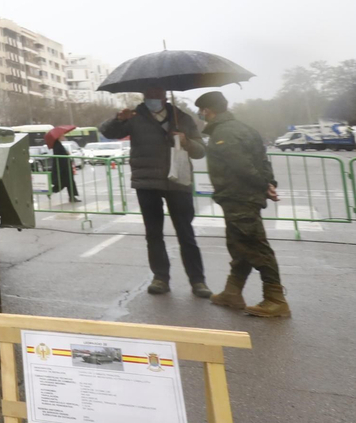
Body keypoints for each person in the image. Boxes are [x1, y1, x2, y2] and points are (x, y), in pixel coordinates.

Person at [100, 91, 210, 297]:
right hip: (147, 182)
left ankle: (198, 281)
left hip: (178, 181)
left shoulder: (182, 118)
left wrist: (186, 141)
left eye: (156, 93)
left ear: (164, 96)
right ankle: (160, 278)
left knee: (186, 234)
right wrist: (118, 119)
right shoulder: (134, 117)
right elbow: (107, 132)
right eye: (149, 93)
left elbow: (200, 151)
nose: (152, 98)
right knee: (153, 234)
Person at [195, 91, 289, 318]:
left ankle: (275, 299)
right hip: (243, 197)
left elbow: (242, 166)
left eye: (201, 111)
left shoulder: (223, 132)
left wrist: (263, 185)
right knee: (239, 245)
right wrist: (269, 183)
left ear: (208, 110)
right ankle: (232, 292)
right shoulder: (245, 129)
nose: (200, 115)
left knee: (255, 246)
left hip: (238, 198)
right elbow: (262, 161)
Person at [49, 136, 80, 202]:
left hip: (65, 167)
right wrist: (66, 154)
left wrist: (66, 153)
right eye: (62, 135)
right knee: (64, 183)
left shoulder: (58, 144)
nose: (63, 136)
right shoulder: (57, 145)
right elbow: (60, 157)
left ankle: (72, 197)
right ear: (59, 137)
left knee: (68, 182)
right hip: (63, 168)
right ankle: (51, 191)